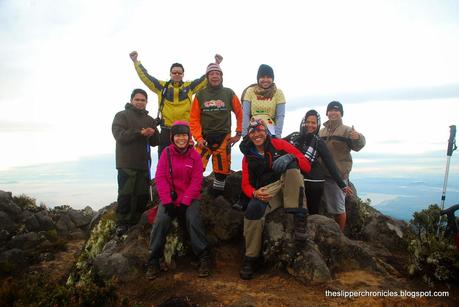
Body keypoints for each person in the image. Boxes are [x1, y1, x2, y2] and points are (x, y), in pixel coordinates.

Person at [239, 119, 311, 280]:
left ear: (266, 132)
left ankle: (300, 217)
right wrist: (254, 193)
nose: (257, 134)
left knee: (293, 169)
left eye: (260, 130)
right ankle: (251, 258)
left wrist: (291, 158)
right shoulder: (248, 157)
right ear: (249, 135)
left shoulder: (279, 145)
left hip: (285, 183)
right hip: (268, 190)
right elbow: (245, 184)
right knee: (253, 211)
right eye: (253, 132)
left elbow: (306, 166)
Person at [146, 121, 210, 280]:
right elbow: (160, 178)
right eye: (177, 135)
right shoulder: (166, 153)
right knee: (161, 221)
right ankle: (153, 259)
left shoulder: (194, 155)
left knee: (193, 220)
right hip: (170, 199)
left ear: (189, 137)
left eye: (184, 135)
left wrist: (185, 201)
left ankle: (203, 257)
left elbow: (196, 180)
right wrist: (167, 201)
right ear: (172, 137)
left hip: (189, 198)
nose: (181, 138)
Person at [129, 51, 223, 156]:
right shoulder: (161, 86)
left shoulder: (189, 86)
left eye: (179, 73)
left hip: (185, 130)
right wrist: (136, 62)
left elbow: (205, 79)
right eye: (174, 72)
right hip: (166, 131)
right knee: (164, 160)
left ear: (183, 74)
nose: (177, 74)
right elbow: (146, 77)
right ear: (170, 74)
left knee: (186, 161)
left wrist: (216, 64)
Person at [284, 110, 353, 215]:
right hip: (295, 176)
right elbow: (277, 144)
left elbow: (330, 163)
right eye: (308, 122)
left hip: (313, 181)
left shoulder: (319, 142)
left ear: (318, 125)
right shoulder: (294, 137)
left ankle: (311, 225)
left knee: (313, 212)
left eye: (313, 123)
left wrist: (342, 185)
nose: (310, 125)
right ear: (303, 122)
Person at [189, 62, 243, 195]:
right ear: (207, 77)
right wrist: (198, 137)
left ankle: (217, 197)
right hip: (204, 138)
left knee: (222, 170)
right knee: (194, 167)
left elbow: (240, 113)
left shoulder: (229, 93)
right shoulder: (200, 95)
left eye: (218, 74)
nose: (215, 76)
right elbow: (193, 119)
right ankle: (191, 194)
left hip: (224, 136)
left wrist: (238, 133)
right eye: (212, 74)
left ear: (221, 76)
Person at [112, 89, 159, 237]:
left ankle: (137, 222)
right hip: (126, 163)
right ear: (131, 100)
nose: (140, 102)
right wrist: (140, 132)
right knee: (126, 194)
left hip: (144, 164)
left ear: (146, 102)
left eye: (143, 100)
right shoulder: (121, 116)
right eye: (137, 99)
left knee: (142, 195)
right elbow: (120, 136)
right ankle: (122, 223)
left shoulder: (150, 119)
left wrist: (153, 132)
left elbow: (155, 142)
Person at [319, 101, 365, 231]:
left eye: (336, 110)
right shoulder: (321, 132)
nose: (333, 112)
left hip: (338, 175)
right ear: (327, 113)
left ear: (341, 113)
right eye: (331, 110)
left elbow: (358, 146)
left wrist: (358, 137)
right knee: (325, 207)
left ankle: (340, 235)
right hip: (322, 173)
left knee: (339, 208)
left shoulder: (346, 130)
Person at [241, 64, 286, 138]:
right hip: (253, 131)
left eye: (268, 77)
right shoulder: (250, 91)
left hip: (271, 133)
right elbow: (245, 114)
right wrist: (245, 135)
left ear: (272, 78)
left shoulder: (278, 93)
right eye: (262, 77)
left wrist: (278, 136)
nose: (265, 80)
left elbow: (280, 116)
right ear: (258, 78)